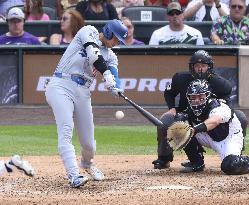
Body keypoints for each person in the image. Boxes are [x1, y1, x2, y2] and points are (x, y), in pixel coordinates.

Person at [45, 19, 128, 188]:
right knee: (66, 128)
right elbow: (93, 55)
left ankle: (87, 164)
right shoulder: (88, 31)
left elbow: (114, 74)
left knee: (89, 144)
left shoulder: (111, 55)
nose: (117, 43)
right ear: (108, 32)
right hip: (61, 84)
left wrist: (116, 87)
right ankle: (74, 175)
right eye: (116, 39)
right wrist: (107, 76)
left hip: (83, 91)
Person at [152, 50, 248, 169]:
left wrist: (203, 122)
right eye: (197, 66)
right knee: (171, 122)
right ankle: (171, 159)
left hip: (212, 117)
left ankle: (236, 153)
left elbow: (221, 114)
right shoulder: (180, 78)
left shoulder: (221, 86)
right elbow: (169, 93)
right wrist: (172, 109)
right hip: (189, 115)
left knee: (240, 117)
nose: (200, 69)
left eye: (203, 66)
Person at [180, 79, 249, 175]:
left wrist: (194, 130)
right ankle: (196, 162)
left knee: (230, 165)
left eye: (201, 96)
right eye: (193, 97)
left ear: (208, 96)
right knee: (181, 128)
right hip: (208, 136)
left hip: (228, 138)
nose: (197, 100)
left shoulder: (219, 106)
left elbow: (214, 121)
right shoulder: (189, 109)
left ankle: (245, 160)